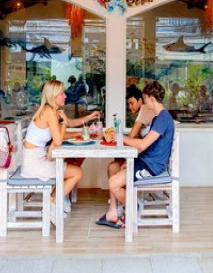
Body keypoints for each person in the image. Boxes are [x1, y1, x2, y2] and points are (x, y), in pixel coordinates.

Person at [97, 81, 174, 229]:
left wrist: (121, 138)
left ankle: (132, 206)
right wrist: (131, 161)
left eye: (145, 99)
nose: (145, 103)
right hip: (146, 161)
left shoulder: (163, 119)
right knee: (113, 167)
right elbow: (149, 146)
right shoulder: (158, 118)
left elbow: (144, 144)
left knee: (113, 183)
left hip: (152, 167)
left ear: (152, 98)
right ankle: (113, 212)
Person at [21, 80, 99, 218]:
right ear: (53, 95)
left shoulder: (51, 110)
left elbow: (69, 124)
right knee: (76, 172)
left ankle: (53, 201)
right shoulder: (49, 111)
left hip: (37, 158)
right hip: (34, 163)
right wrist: (64, 123)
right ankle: (52, 205)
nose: (65, 96)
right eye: (62, 93)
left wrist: (88, 118)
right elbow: (58, 140)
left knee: (73, 164)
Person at [106, 85, 157, 210]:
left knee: (114, 166)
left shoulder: (144, 109)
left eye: (132, 103)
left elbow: (132, 135)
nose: (130, 107)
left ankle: (124, 203)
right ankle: (117, 202)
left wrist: (121, 138)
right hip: (144, 155)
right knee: (113, 165)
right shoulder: (144, 111)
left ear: (140, 100)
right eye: (128, 104)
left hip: (147, 160)